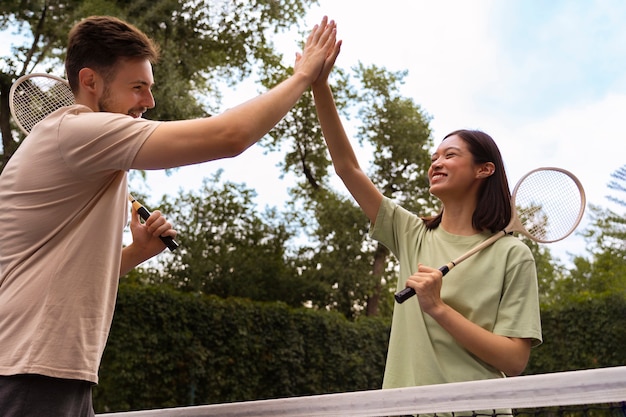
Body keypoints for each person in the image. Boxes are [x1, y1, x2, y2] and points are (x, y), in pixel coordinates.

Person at [0, 15, 338, 416]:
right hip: (27, 371)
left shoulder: (88, 154)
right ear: (89, 82)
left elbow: (59, 272)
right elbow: (228, 136)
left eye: (150, 88)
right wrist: (302, 76)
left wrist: (135, 253)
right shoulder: (78, 131)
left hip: (48, 369)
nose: (149, 101)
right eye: (137, 87)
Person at [311, 42, 542, 390]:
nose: (436, 163)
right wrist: (319, 86)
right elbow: (347, 168)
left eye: (450, 155)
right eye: (434, 157)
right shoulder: (410, 233)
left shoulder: (513, 254)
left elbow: (514, 360)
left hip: (475, 413)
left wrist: (437, 307)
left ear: (484, 170)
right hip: (402, 409)